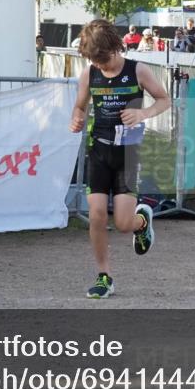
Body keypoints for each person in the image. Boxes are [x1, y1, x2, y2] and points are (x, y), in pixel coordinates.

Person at [69, 19, 170, 299]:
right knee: (97, 215)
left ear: (116, 46)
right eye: (95, 61)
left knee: (124, 224)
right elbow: (80, 106)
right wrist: (76, 117)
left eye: (103, 60)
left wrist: (142, 114)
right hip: (99, 150)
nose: (101, 65)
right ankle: (104, 276)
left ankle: (142, 223)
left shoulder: (137, 70)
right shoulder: (90, 74)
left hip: (127, 153)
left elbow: (164, 99)